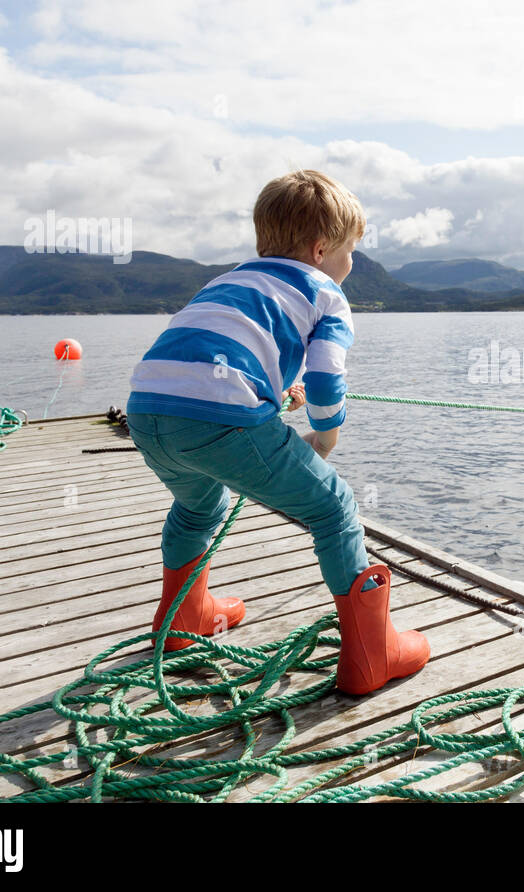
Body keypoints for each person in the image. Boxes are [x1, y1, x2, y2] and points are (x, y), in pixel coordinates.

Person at [124, 169, 429, 695]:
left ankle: (184, 618)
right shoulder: (325, 292)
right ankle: (374, 655)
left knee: (198, 506)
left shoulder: (228, 280)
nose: (351, 264)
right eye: (350, 251)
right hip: (222, 422)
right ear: (320, 250)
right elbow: (327, 375)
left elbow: (220, 352)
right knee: (332, 507)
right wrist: (327, 434)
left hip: (148, 413)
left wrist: (273, 393)